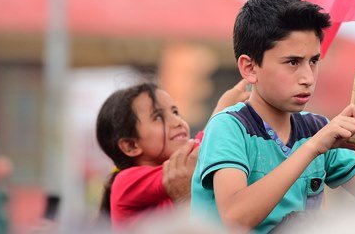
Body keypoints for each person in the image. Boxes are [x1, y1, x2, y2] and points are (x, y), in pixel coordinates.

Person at [190, 0, 355, 233]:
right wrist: (313, 147)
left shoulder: (317, 129)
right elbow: (236, 218)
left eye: (313, 61)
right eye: (292, 62)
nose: (307, 78)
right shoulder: (229, 127)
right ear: (250, 67)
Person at [95, 80, 249, 228]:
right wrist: (221, 111)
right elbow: (195, 158)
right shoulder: (125, 181)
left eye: (175, 112)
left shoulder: (174, 177)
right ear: (131, 145)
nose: (177, 121)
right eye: (158, 117)